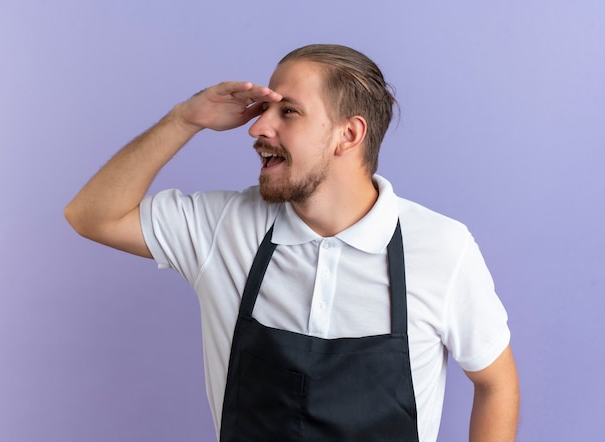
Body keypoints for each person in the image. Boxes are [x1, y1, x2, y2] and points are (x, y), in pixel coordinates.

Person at [65, 44, 520, 441]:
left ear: (349, 134)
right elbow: (90, 216)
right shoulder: (222, 226)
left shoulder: (441, 247)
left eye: (288, 111)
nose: (258, 128)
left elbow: (496, 383)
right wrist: (185, 119)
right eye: (265, 109)